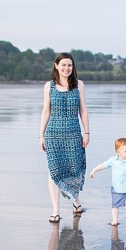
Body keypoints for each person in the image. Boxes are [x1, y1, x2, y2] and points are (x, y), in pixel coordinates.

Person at [39, 52, 90, 222]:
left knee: (75, 168)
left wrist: (87, 132)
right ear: (56, 66)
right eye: (63, 65)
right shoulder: (49, 86)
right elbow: (46, 112)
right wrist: (41, 135)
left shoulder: (79, 85)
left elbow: (83, 110)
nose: (67, 68)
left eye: (69, 65)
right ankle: (55, 210)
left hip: (74, 133)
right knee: (54, 170)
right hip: (53, 133)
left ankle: (76, 200)